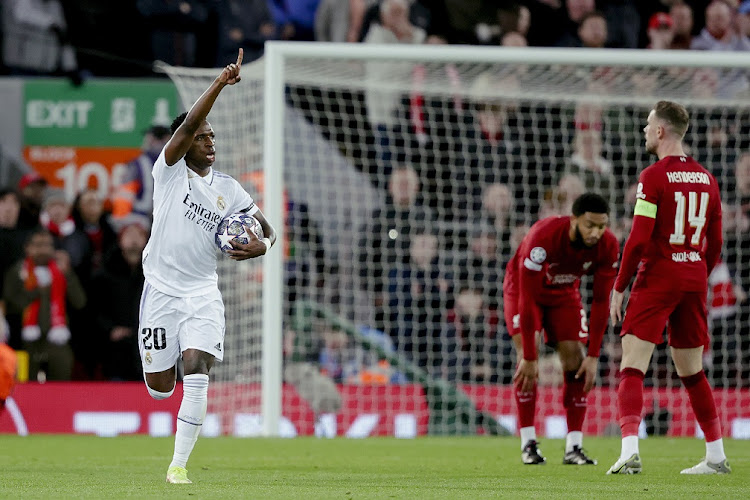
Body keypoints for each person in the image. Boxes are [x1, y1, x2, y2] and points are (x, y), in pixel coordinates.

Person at [138, 49, 276, 485]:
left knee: (197, 368)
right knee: (160, 387)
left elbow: (267, 230)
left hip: (202, 293)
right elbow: (185, 130)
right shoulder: (170, 172)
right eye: (203, 136)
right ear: (188, 137)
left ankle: (177, 466)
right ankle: (162, 374)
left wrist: (263, 247)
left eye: (214, 138)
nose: (211, 144)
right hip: (160, 290)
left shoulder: (230, 191)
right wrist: (218, 84)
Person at [608, 101, 730, 475]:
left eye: (648, 124)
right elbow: (717, 240)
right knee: (692, 372)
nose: (644, 130)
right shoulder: (708, 179)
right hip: (693, 278)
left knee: (632, 364)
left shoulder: (653, 176)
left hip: (659, 276)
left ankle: (630, 450)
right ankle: (715, 456)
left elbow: (639, 238)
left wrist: (619, 285)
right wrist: (696, 272)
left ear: (661, 131)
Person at [504, 192, 619, 465]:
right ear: (574, 220)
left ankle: (574, 447)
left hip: (564, 293)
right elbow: (528, 299)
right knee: (526, 362)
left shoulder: (608, 245)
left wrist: (593, 356)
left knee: (576, 361)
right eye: (589, 225)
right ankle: (528, 443)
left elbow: (602, 301)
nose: (596, 232)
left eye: (602, 226)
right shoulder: (541, 239)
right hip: (522, 291)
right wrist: (531, 357)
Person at [111, 125, 172, 226]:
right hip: (140, 222)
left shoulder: (178, 165)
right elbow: (123, 199)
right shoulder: (137, 165)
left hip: (163, 222)